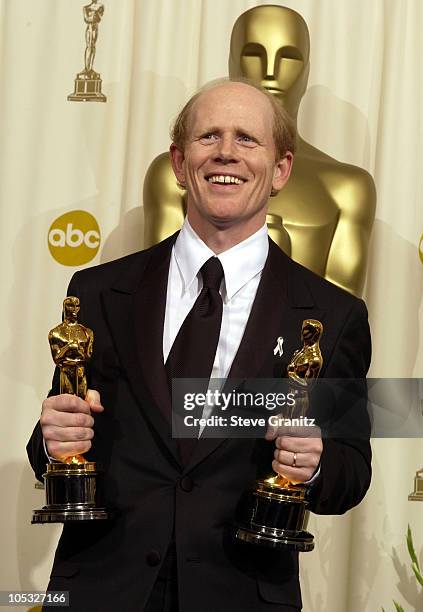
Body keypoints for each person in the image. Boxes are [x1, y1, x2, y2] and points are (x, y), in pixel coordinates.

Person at [27, 79, 371, 612]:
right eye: (208, 136)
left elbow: (351, 472)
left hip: (241, 595)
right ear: (180, 163)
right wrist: (53, 440)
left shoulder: (332, 316)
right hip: (99, 593)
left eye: (246, 139)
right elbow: (53, 446)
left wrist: (316, 464)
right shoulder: (97, 293)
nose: (225, 152)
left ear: (281, 169)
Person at [143, 5, 376, 297]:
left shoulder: (348, 189)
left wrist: (275, 259)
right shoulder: (176, 172)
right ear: (231, 62)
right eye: (253, 54)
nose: (270, 72)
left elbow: (335, 317)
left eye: (289, 57)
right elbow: (157, 291)